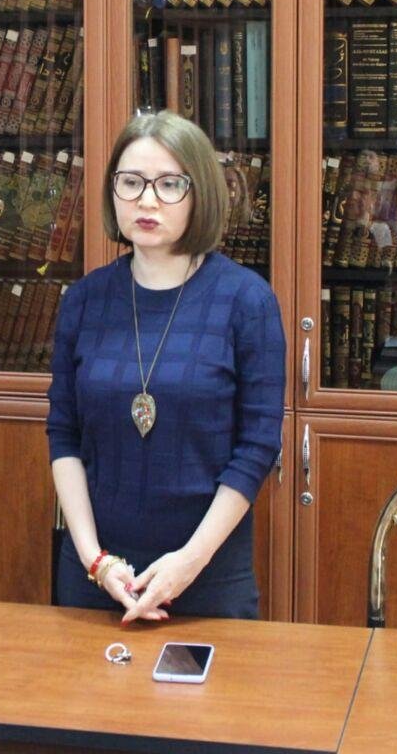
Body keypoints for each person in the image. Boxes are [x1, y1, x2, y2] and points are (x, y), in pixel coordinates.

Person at [47, 110, 285, 624]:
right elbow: (64, 436)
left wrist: (187, 563)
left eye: (170, 184)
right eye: (131, 182)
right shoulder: (84, 300)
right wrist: (95, 559)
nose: (147, 200)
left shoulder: (247, 302)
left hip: (206, 578)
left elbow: (257, 447)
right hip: (97, 576)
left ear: (200, 195)